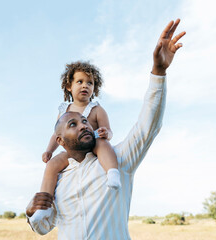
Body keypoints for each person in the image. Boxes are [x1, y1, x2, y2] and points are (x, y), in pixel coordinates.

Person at [26, 19, 186, 239]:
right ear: (60, 140)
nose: (84, 124)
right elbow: (42, 228)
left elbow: (148, 125)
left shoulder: (119, 160)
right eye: (73, 124)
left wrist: (158, 72)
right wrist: (31, 211)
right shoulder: (59, 178)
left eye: (85, 122)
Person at [40, 61, 121, 204]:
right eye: (80, 81)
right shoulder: (64, 111)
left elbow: (108, 130)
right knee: (52, 165)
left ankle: (113, 173)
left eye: (90, 83)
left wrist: (106, 134)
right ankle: (45, 201)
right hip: (73, 149)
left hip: (93, 145)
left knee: (102, 144)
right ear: (69, 87)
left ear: (94, 88)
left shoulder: (96, 109)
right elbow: (57, 134)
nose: (85, 85)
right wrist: (49, 150)